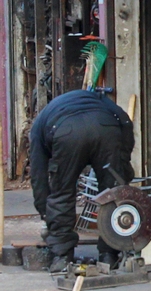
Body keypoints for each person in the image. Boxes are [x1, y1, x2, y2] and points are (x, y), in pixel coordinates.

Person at [29, 89, 135, 274]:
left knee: (62, 193)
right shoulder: (98, 99)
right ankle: (109, 255)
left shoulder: (40, 125)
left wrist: (45, 211)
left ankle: (62, 257)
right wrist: (123, 163)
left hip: (67, 132)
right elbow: (125, 121)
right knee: (113, 193)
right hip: (106, 128)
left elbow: (38, 176)